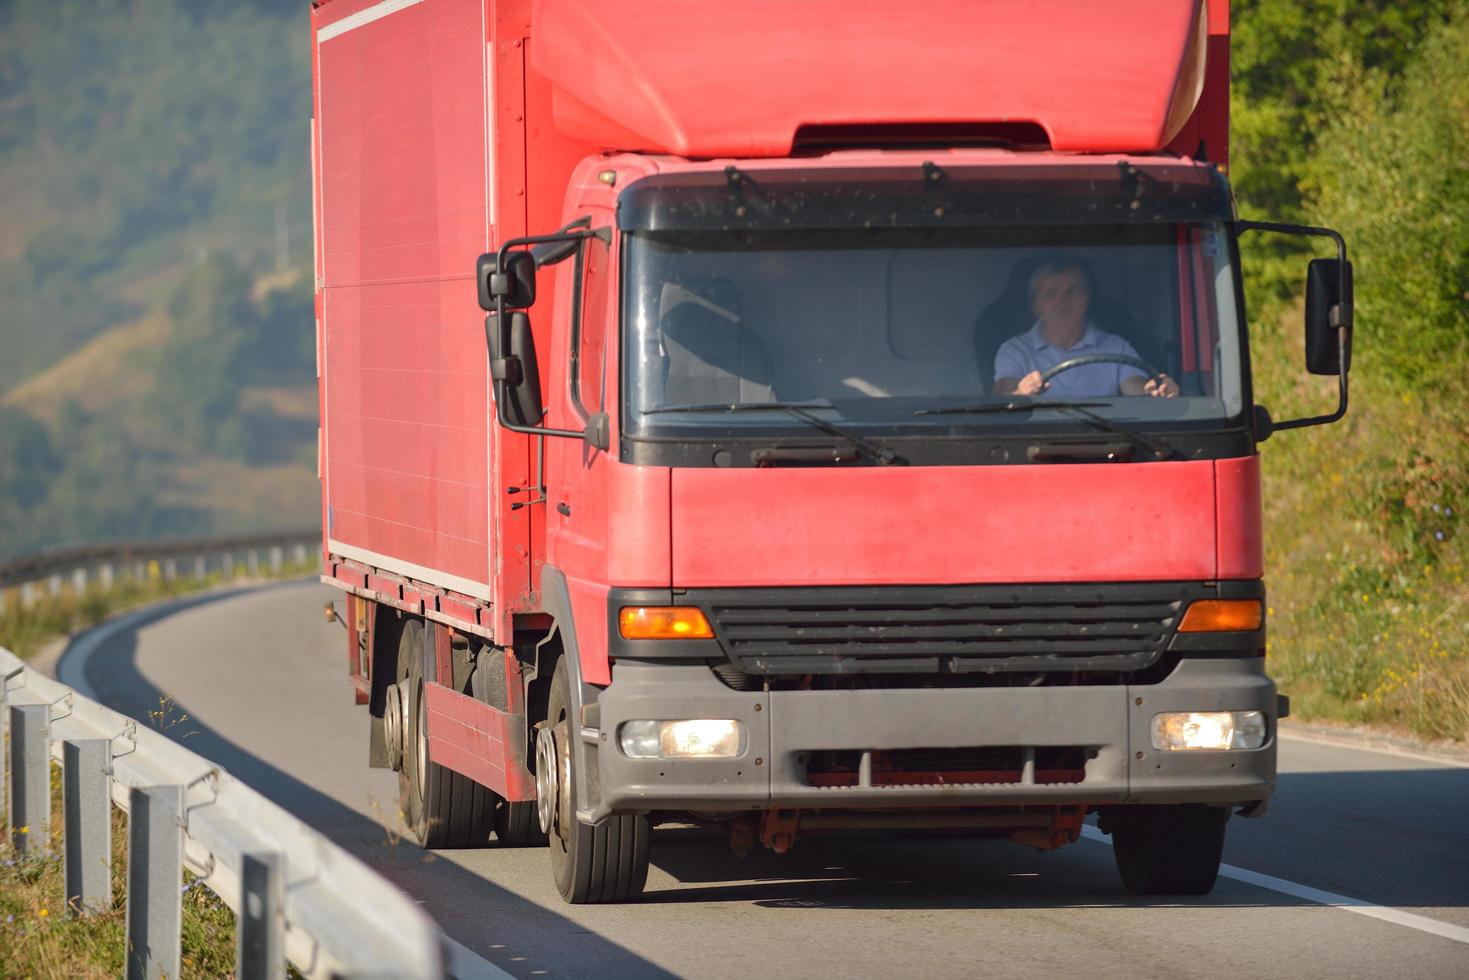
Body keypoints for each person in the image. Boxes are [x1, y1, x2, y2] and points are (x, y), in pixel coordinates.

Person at [992, 258, 1179, 399]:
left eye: (1072, 291)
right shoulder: (1015, 350)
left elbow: (1138, 389)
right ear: (1035, 304)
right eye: (1052, 293)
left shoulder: (1116, 347)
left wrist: (1159, 391)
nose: (1062, 301)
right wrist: (1021, 393)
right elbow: (1001, 396)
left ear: (1085, 299)